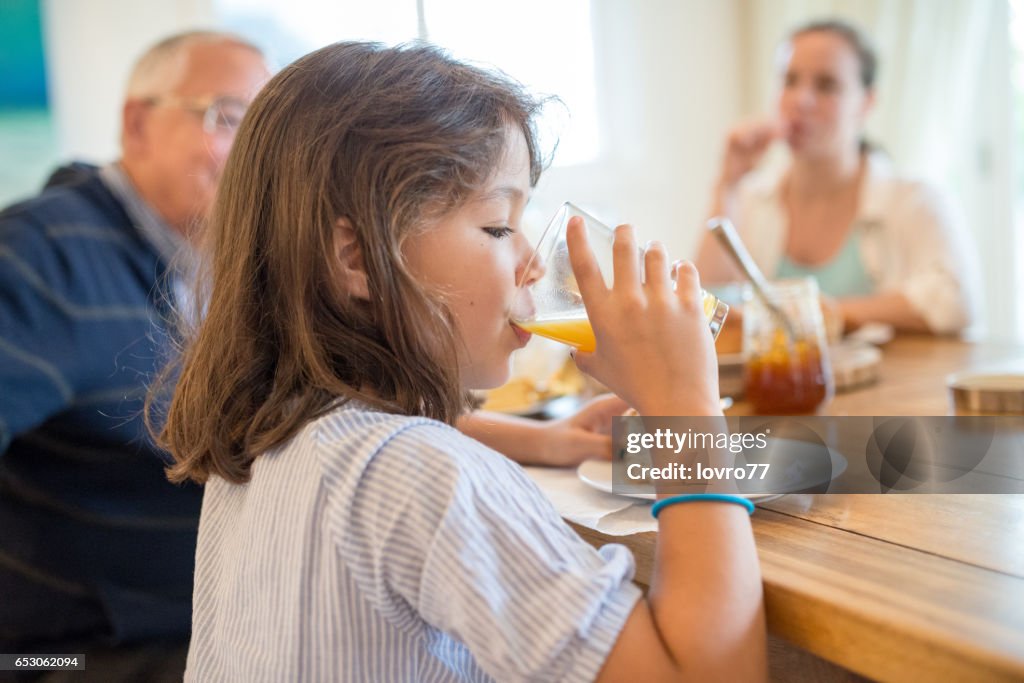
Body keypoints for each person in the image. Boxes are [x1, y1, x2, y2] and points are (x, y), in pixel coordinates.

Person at [156, 42, 766, 681]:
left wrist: (545, 441)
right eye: (500, 227)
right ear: (359, 258)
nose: (532, 262)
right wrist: (685, 407)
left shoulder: (267, 439)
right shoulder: (435, 480)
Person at [0, 30, 271, 678]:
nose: (251, 157)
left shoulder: (211, 263)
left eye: (264, 132)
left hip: (209, 617)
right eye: (227, 118)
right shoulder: (41, 256)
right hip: (75, 649)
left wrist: (517, 437)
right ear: (136, 124)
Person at [695, 19, 979, 336]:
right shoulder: (750, 199)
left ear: (866, 102)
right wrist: (728, 182)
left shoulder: (914, 199)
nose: (801, 101)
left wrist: (824, 312)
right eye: (790, 80)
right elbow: (708, 304)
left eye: (826, 85)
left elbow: (955, 299)